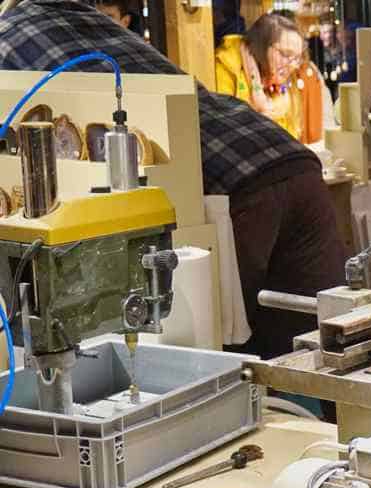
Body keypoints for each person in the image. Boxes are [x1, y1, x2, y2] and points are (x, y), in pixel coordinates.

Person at [0, 0, 348, 360]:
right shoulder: (77, 14)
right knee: (326, 356)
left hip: (228, 190)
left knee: (217, 369)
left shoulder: (8, 39)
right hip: (286, 159)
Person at [215, 12, 325, 143]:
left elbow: (290, 136)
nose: (294, 65)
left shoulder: (283, 81)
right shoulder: (228, 68)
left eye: (297, 58)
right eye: (285, 54)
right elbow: (224, 131)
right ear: (262, 47)